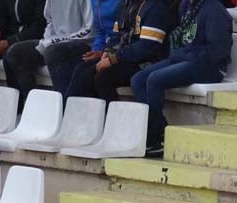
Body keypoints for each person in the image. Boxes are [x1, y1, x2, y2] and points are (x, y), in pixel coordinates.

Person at [132, 0, 231, 156]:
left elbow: (218, 52)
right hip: (185, 57)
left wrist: (185, 54)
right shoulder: (186, 5)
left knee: (155, 79)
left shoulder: (214, 9)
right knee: (137, 80)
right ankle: (162, 130)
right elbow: (182, 40)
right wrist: (182, 53)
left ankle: (154, 139)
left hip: (210, 67)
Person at [69, 0, 173, 102]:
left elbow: (147, 47)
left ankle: (115, 117)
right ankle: (95, 117)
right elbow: (116, 36)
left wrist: (114, 58)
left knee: (104, 77)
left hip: (148, 62)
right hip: (127, 56)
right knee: (84, 72)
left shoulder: (156, 7)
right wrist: (107, 51)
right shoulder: (125, 5)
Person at [2, 0, 96, 100]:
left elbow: (90, 30)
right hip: (55, 42)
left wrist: (56, 41)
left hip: (84, 43)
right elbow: (50, 22)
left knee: (52, 52)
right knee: (16, 52)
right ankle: (33, 105)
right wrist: (48, 40)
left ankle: (61, 107)